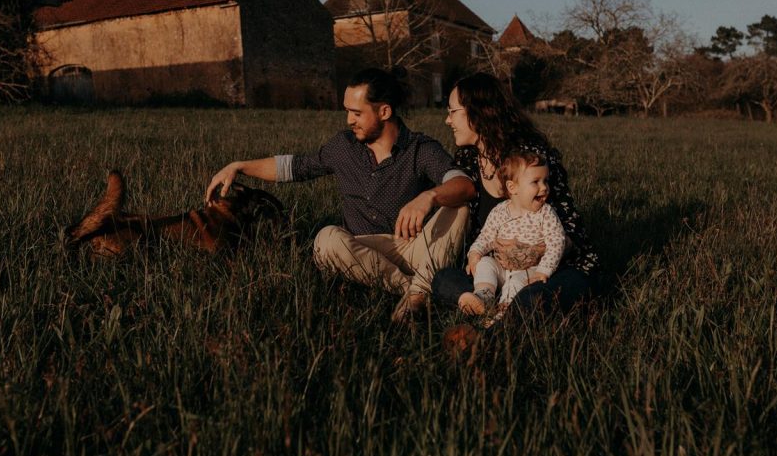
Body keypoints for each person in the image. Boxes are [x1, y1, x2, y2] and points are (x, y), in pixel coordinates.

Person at [207, 67, 475, 322]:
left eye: (356, 113)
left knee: (458, 207)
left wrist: (428, 197)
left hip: (415, 247)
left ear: (384, 111)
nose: (349, 121)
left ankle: (417, 291)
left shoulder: (420, 148)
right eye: (347, 112)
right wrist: (239, 166)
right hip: (360, 250)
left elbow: (464, 184)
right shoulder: (343, 147)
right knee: (325, 240)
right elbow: (295, 167)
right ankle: (414, 291)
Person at [432, 73, 603, 321]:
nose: (447, 120)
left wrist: (530, 255)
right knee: (443, 280)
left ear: (479, 112)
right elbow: (481, 237)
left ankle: (493, 331)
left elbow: (571, 233)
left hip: (550, 271)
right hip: (496, 274)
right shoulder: (467, 160)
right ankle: (489, 304)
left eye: (453, 111)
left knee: (532, 300)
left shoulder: (532, 159)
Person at [460, 150, 567, 316]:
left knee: (516, 282)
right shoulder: (500, 211)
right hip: (502, 268)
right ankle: (484, 297)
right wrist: (475, 253)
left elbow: (557, 242)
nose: (544, 188)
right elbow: (486, 236)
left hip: (530, 269)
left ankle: (504, 312)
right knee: (485, 263)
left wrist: (544, 270)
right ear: (512, 187)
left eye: (546, 181)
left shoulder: (545, 214)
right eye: (536, 182)